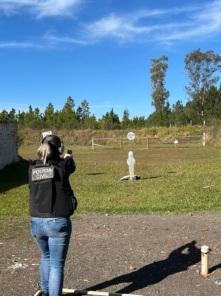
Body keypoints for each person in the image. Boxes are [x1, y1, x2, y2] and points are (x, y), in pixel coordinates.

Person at [29, 134, 77, 296]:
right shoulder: (63, 166)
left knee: (45, 257)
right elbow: (70, 166)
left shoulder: (31, 168)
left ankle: (45, 291)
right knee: (56, 265)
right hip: (57, 221)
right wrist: (68, 157)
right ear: (59, 150)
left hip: (36, 221)